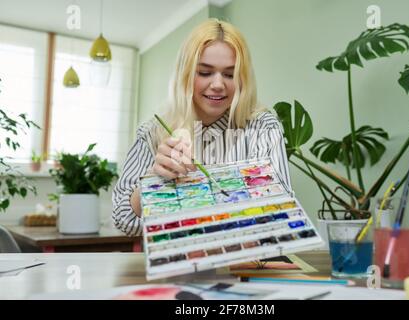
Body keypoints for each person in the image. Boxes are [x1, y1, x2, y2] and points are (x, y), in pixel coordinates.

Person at [112, 19, 291, 236]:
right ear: (185, 75)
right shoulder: (152, 132)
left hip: (246, 265)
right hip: (178, 265)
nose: (217, 84)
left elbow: (280, 214)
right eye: (205, 73)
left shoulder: (263, 128)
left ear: (243, 79)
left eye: (229, 74)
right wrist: (153, 181)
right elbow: (124, 219)